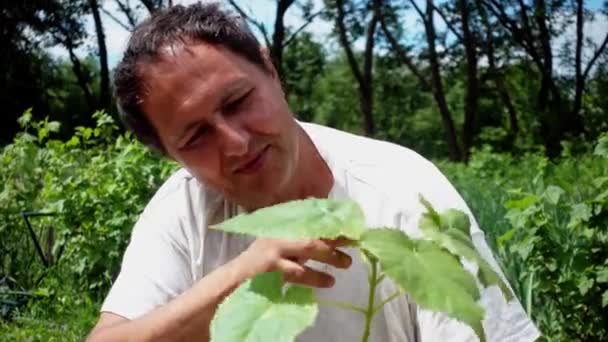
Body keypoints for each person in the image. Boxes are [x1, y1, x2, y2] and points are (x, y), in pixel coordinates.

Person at [87, 3, 540, 341]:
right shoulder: (183, 208)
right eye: (194, 137)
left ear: (271, 69)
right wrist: (237, 278)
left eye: (238, 102)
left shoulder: (400, 186)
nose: (237, 143)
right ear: (171, 156)